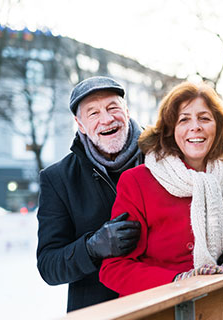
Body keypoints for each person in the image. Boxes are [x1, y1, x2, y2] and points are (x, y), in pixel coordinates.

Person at [99, 81, 223, 296]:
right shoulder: (137, 182)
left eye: (204, 118)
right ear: (170, 130)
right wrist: (177, 282)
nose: (196, 127)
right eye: (184, 119)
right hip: (158, 310)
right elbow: (114, 268)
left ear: (218, 127)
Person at [36, 76, 143, 312]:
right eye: (93, 113)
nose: (106, 119)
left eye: (112, 107)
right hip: (98, 311)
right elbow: (48, 265)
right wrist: (92, 247)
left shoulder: (162, 156)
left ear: (126, 110)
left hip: (165, 302)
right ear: (80, 124)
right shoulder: (58, 179)